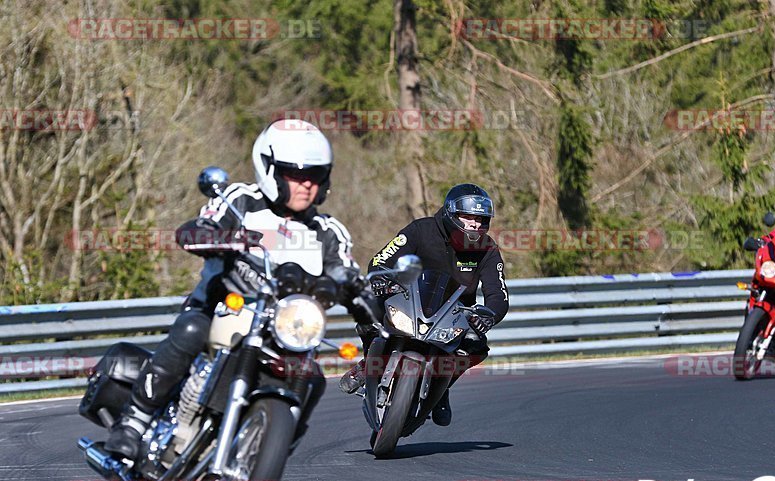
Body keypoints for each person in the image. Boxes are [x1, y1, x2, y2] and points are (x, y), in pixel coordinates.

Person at [105, 119, 379, 462]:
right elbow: (196, 229)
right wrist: (216, 237)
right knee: (192, 329)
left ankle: (262, 463)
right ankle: (133, 422)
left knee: (314, 378)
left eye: (315, 175)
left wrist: (364, 297)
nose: (306, 184)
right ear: (269, 169)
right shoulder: (240, 202)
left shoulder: (328, 232)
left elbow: (348, 273)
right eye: (296, 174)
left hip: (284, 331)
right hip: (223, 311)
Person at [338, 183, 509, 426]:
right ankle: (369, 364)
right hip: (406, 300)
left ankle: (443, 386)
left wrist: (490, 314)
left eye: (481, 219)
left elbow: (498, 293)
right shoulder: (421, 229)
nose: (475, 224)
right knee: (368, 312)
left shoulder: (488, 249)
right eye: (467, 217)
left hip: (454, 316)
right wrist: (381, 278)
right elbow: (381, 259)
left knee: (477, 346)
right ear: (451, 213)